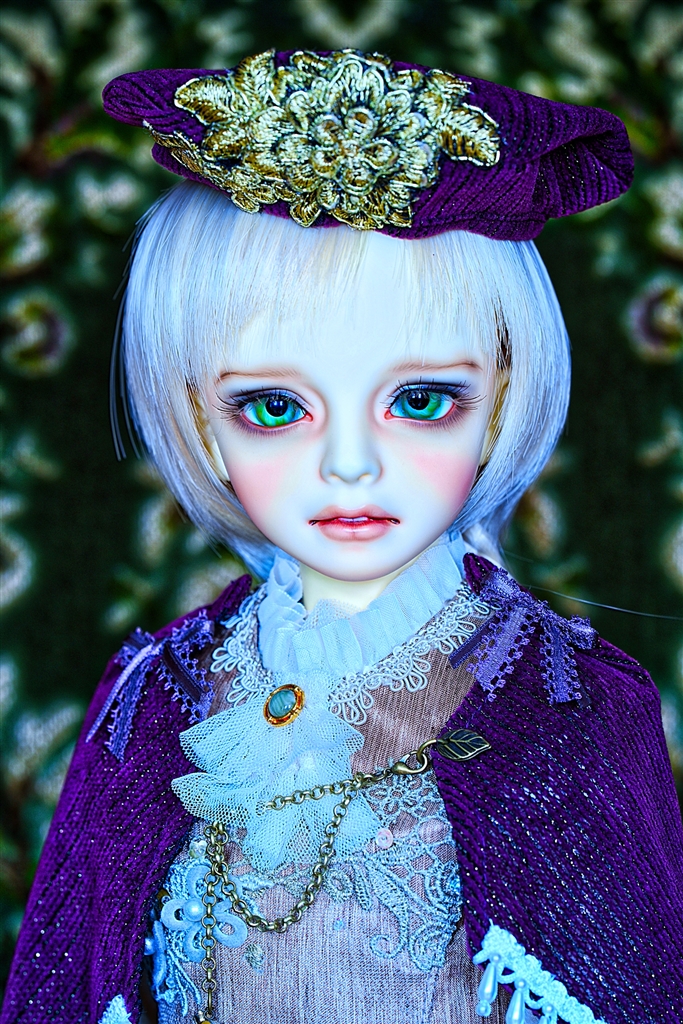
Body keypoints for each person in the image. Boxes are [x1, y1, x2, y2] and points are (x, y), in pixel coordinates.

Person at [3, 48, 682, 1024]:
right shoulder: (152, 698)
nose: (350, 464)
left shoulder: (569, 704)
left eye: (421, 400)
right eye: (275, 408)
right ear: (200, 421)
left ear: (496, 402)